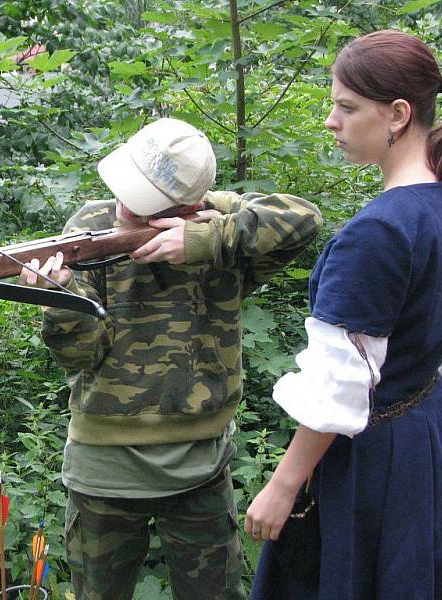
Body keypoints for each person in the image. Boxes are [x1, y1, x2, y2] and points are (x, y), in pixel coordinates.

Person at [19, 117, 322, 599]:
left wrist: (207, 234)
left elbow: (303, 219)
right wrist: (62, 299)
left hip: (201, 469)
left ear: (187, 208)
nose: (121, 207)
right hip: (104, 471)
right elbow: (80, 355)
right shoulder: (90, 227)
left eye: (139, 206)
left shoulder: (219, 233)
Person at [244, 30, 442, 599]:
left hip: (374, 456)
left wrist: (284, 483)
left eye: (346, 107)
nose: (331, 122)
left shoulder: (377, 233)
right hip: (426, 430)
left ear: (397, 114)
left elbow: (342, 385)